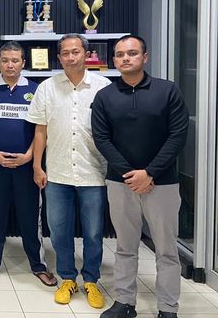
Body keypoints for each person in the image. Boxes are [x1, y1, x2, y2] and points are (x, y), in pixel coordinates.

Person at [92, 35, 189, 318]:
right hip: (120, 182)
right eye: (120, 54)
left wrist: (150, 173)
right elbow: (102, 139)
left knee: (167, 249)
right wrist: (130, 174)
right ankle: (125, 303)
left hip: (162, 182)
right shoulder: (105, 97)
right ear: (114, 60)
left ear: (145, 57)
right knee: (125, 246)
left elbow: (178, 135)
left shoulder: (167, 91)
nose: (126, 58)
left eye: (132, 53)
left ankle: (168, 308)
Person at [26, 33, 110, 308]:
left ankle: (91, 280)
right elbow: (40, 131)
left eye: (76, 52)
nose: (71, 57)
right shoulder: (47, 88)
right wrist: (37, 166)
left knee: (93, 232)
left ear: (86, 54)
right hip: (57, 172)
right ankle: (67, 278)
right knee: (59, 231)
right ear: (58, 57)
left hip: (93, 172)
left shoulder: (104, 87)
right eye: (65, 53)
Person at [0, 41, 55, 287]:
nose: (10, 65)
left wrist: (30, 156)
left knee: (30, 216)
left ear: (23, 63)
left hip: (27, 167)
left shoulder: (35, 90)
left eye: (15, 60)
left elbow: (42, 129)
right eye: (5, 60)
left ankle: (38, 265)